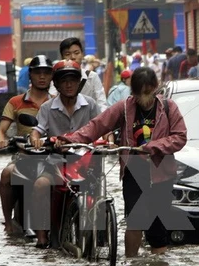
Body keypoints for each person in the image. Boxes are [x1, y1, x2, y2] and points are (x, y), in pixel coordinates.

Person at [55, 67, 187, 257]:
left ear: (155, 88)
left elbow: (180, 137)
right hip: (134, 172)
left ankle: (159, 259)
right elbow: (98, 125)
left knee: (158, 229)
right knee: (134, 221)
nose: (144, 97)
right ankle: (132, 260)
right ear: (133, 91)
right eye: (139, 92)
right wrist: (72, 139)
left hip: (161, 175)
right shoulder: (125, 107)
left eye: (148, 92)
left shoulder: (168, 107)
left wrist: (153, 146)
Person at [30, 59, 101, 248]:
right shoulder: (47, 108)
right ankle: (42, 235)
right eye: (64, 80)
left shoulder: (91, 105)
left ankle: (100, 233)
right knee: (40, 185)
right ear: (57, 84)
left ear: (79, 83)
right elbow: (37, 130)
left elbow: (102, 127)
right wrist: (35, 138)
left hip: (87, 163)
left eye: (72, 80)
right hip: (56, 163)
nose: (69, 85)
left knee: (100, 191)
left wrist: (109, 140)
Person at [0, 55, 54, 235]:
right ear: (30, 75)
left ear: (52, 76)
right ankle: (8, 223)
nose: (42, 77)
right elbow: (1, 129)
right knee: (6, 174)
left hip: (51, 155)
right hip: (24, 155)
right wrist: (0, 139)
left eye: (46, 73)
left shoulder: (57, 101)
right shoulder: (15, 102)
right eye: (38, 73)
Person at [49, 37, 108, 112]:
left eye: (76, 53)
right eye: (67, 54)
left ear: (82, 54)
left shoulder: (92, 77)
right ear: (62, 57)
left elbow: (102, 103)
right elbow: (52, 96)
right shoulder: (57, 77)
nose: (73, 57)